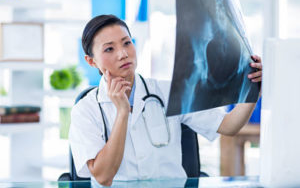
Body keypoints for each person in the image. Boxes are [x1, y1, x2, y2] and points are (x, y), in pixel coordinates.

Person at [69, 14, 262, 186]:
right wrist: (122, 113)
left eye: (127, 43)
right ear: (91, 61)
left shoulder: (168, 91)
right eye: (109, 49)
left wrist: (254, 87)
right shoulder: (85, 110)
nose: (123, 53)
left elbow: (229, 125)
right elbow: (103, 177)